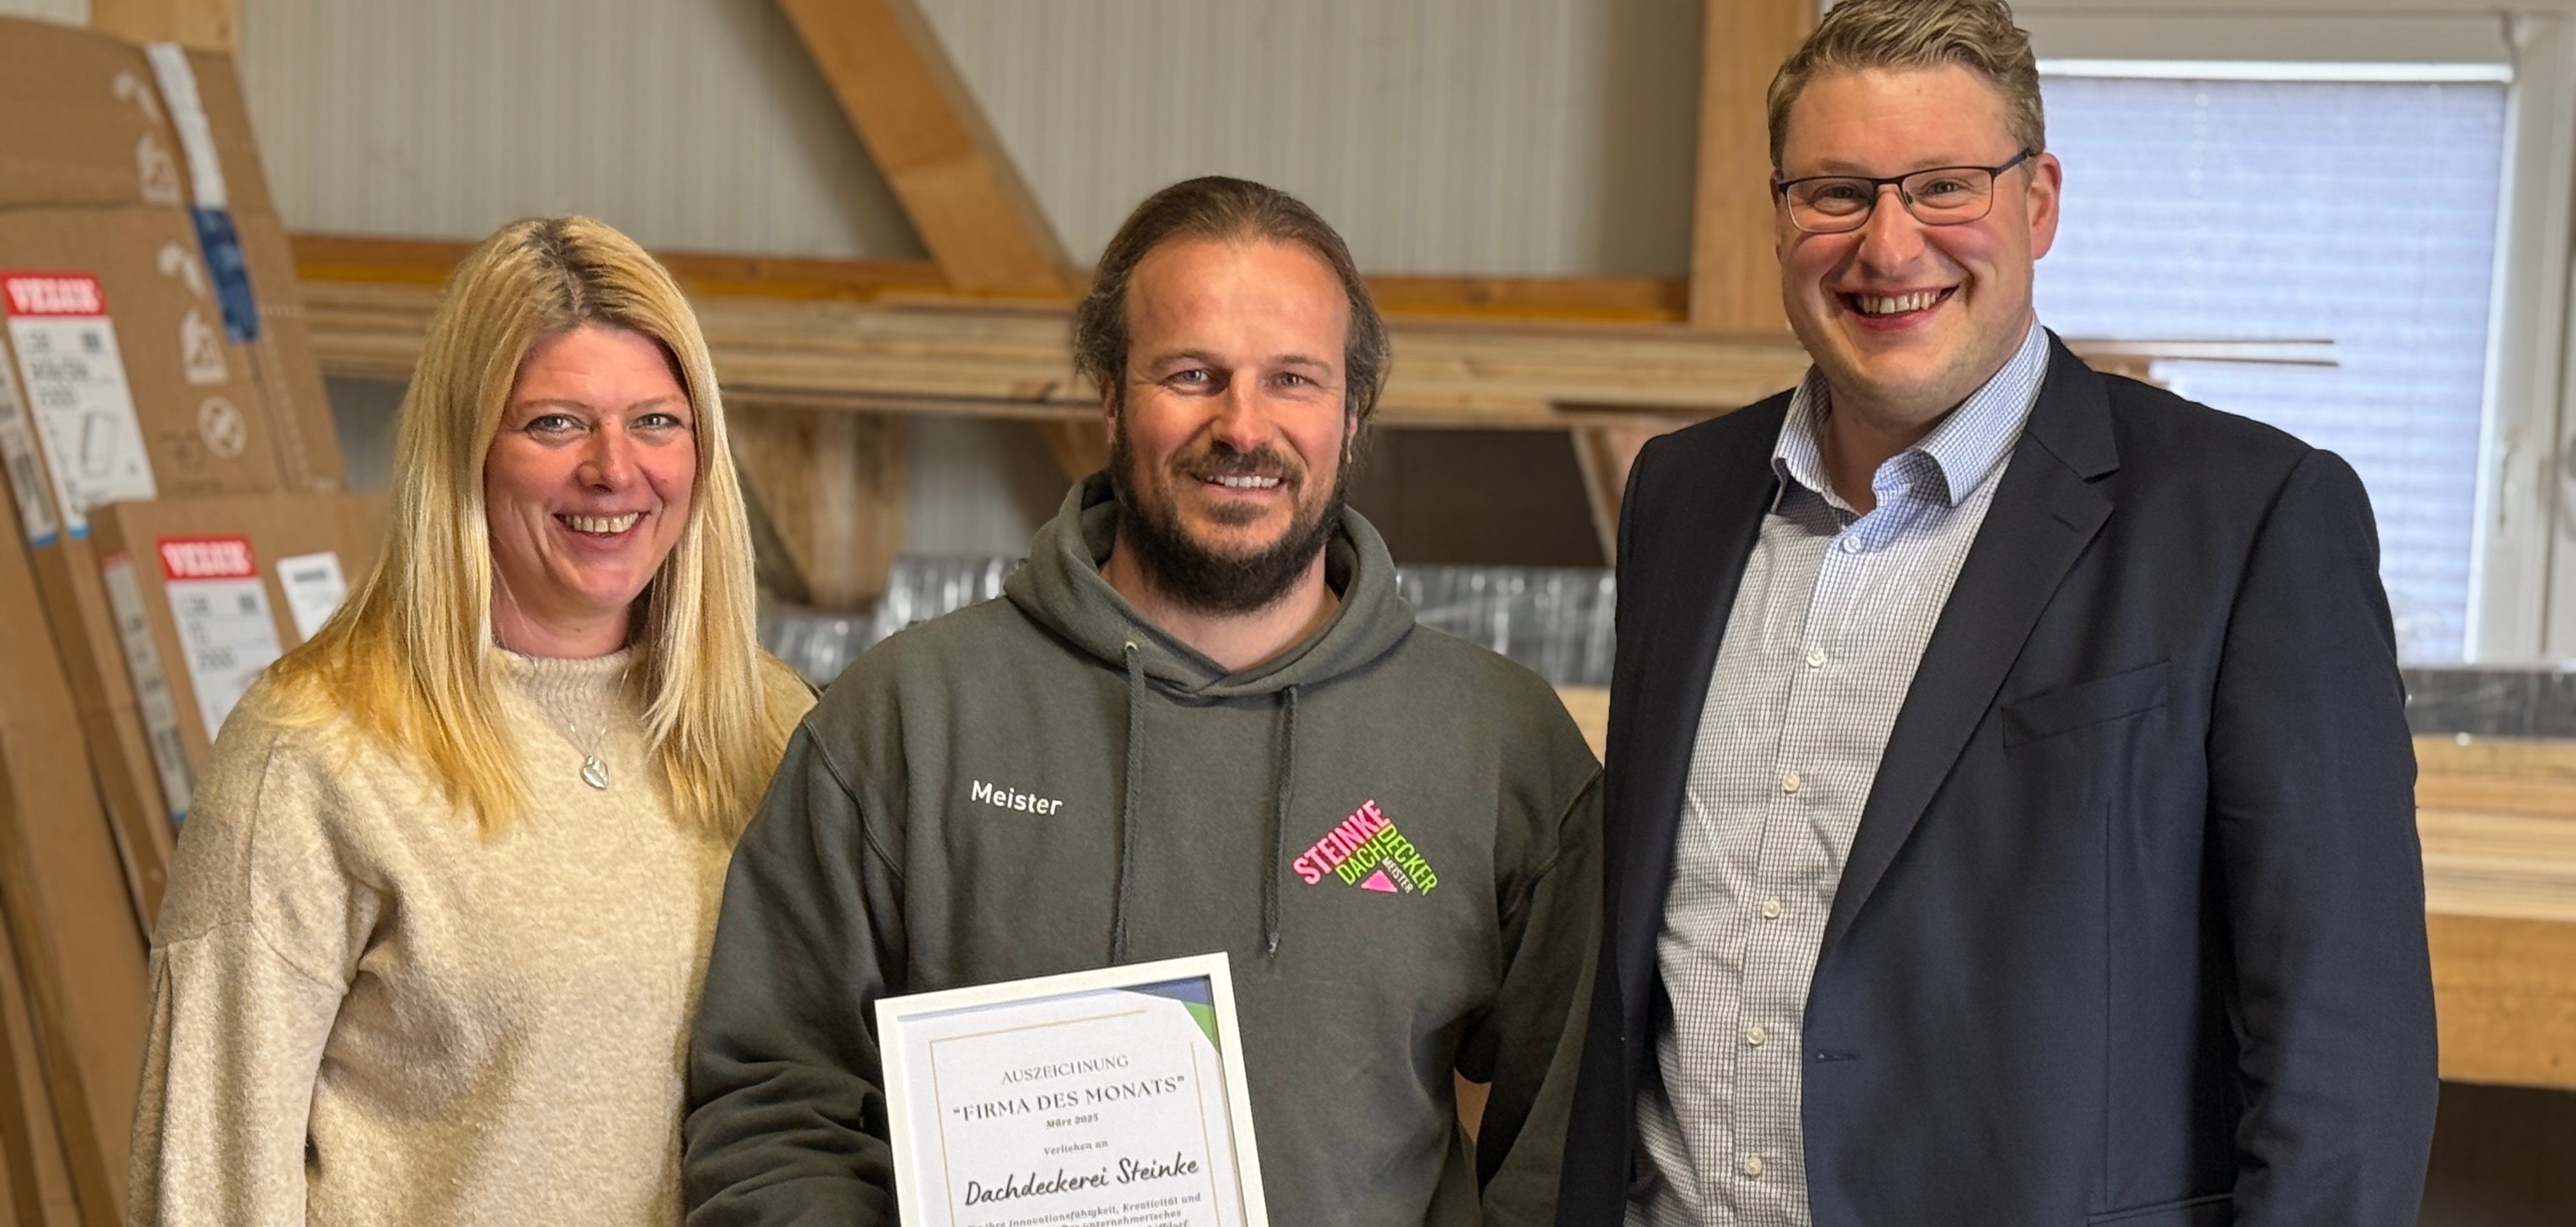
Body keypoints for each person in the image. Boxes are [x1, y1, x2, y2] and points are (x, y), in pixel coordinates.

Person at [1557, 2, 2438, 1224]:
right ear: (1781, 215)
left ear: (2040, 203)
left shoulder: (2251, 519)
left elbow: (2348, 1067)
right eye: (1836, 193)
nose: (1889, 244)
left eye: (1944, 186)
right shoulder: (1684, 497)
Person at [682, 176, 1602, 1226]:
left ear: (1355, 417)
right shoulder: (908, 719)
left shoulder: (1494, 745)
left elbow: (1569, 1148)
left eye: (1293, 379)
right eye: (1192, 373)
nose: (1242, 426)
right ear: (1112, 397)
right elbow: (774, 1105)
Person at [128, 216, 816, 1225]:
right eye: (554, 424)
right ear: (466, 450)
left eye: (657, 422)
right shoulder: (318, 753)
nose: (614, 469)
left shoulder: (772, 728)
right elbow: (208, 1177)